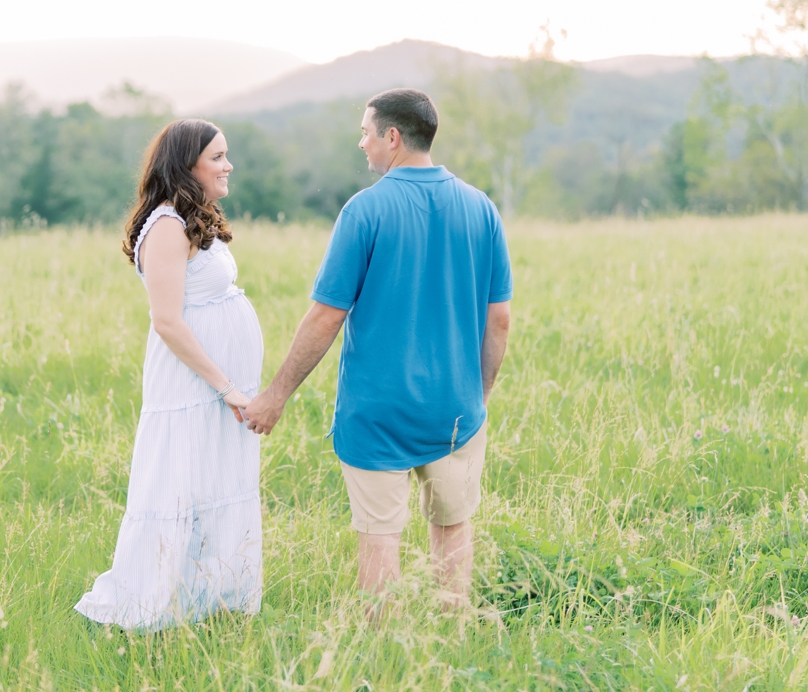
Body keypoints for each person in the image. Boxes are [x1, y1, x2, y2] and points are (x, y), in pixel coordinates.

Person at [242, 88, 512, 609]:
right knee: (452, 530)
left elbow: (326, 315)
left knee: (380, 541)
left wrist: (276, 395)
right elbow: (498, 321)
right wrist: (475, 395)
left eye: (367, 132)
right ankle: (449, 648)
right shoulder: (482, 208)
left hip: (377, 413)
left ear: (393, 137)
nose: (361, 143)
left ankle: (384, 660)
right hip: (457, 410)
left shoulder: (365, 210)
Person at [74, 120, 264, 630]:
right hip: (191, 386)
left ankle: (212, 599)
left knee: (214, 485)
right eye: (218, 156)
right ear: (187, 164)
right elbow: (168, 321)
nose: (228, 165)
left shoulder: (191, 218)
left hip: (213, 388)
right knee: (180, 488)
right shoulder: (164, 226)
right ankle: (153, 603)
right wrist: (224, 385)